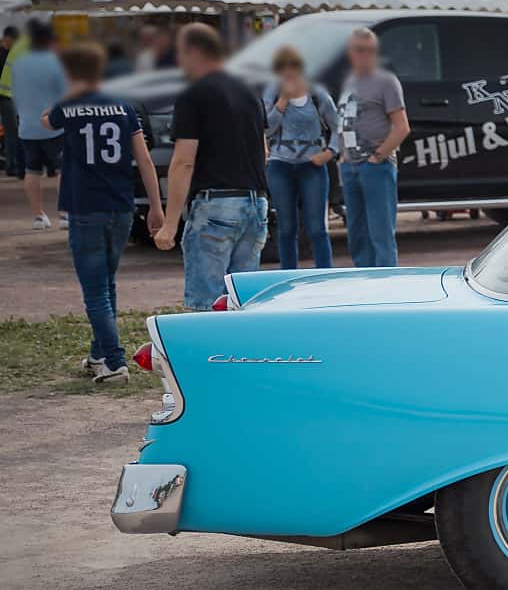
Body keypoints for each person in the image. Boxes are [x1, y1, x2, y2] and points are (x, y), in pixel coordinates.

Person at [42, 42, 164, 383]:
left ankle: (114, 361)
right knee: (107, 283)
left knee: (95, 291)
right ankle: (98, 354)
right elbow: (144, 160)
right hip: (120, 206)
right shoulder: (124, 109)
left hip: (86, 208)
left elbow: (45, 121)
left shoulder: (69, 106)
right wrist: (155, 206)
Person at [153, 23, 270, 310]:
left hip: (216, 204)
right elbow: (264, 150)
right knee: (242, 303)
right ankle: (243, 354)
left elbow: (183, 161)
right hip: (256, 205)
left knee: (206, 305)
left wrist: (170, 224)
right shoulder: (249, 91)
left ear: (194, 52)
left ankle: (209, 356)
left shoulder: (195, 94)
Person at [263, 45, 341, 269]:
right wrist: (282, 102)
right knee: (286, 227)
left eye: (293, 67)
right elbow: (267, 128)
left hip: (311, 164)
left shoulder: (317, 95)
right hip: (281, 163)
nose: (288, 73)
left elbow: (337, 127)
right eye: (282, 68)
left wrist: (329, 153)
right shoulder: (272, 93)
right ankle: (288, 275)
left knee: (317, 227)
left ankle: (324, 275)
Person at [338, 26, 409, 267]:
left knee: (381, 235)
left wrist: (378, 156)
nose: (365, 55)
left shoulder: (386, 82)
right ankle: (363, 286)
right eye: (360, 50)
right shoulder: (349, 81)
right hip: (350, 167)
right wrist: (342, 157)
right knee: (357, 235)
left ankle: (386, 288)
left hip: (375, 167)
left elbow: (402, 127)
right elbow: (344, 119)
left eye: (370, 50)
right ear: (350, 52)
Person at [12, 19, 70, 229]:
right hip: (54, 126)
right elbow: (65, 94)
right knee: (62, 171)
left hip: (26, 127)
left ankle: (39, 216)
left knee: (31, 171)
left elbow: (15, 95)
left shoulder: (18, 63)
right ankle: (64, 214)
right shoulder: (55, 62)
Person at [0, 24, 18, 182]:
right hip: (5, 97)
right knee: (11, 132)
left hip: (8, 97)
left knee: (11, 133)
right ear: (6, 38)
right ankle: (11, 164)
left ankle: (11, 165)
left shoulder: (13, 54)